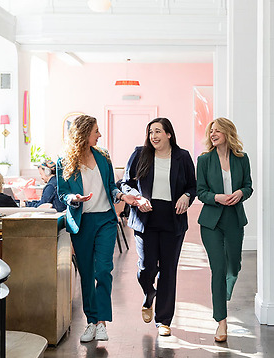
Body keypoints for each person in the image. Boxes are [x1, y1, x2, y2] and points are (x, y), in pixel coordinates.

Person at [57, 115, 139, 343]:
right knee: (86, 273)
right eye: (96, 131)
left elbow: (111, 187)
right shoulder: (64, 161)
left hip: (105, 220)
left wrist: (123, 196)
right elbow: (62, 193)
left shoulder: (103, 156)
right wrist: (74, 198)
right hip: (82, 222)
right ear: (84, 133)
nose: (100, 135)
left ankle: (102, 322)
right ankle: (91, 321)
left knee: (103, 270)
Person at [121, 117, 196, 336]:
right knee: (147, 268)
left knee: (168, 270)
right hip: (146, 219)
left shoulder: (182, 157)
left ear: (169, 134)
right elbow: (125, 183)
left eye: (158, 132)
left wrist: (187, 195)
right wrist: (137, 198)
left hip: (173, 220)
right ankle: (148, 294)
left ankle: (163, 320)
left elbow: (193, 185)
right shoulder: (140, 154)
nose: (153, 136)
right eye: (151, 132)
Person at [196, 117, 253, 342]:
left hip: (234, 219)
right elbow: (201, 192)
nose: (213, 134)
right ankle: (221, 322)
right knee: (218, 269)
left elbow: (248, 186)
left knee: (234, 266)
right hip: (211, 221)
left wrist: (240, 193)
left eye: (217, 131)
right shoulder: (204, 160)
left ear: (228, 133)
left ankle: (226, 286)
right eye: (211, 131)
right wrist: (216, 197)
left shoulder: (242, 158)